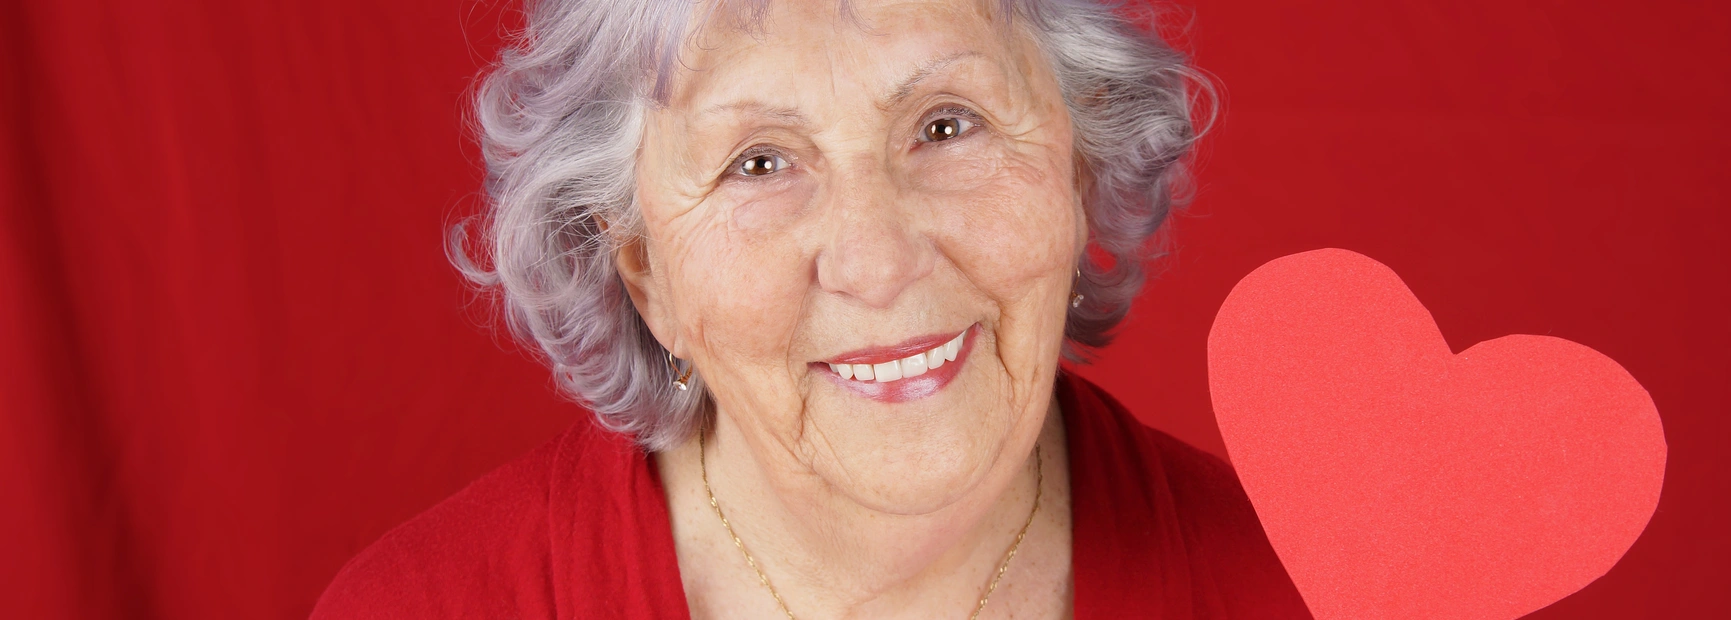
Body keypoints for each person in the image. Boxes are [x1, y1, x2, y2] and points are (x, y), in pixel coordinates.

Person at [313, 0, 1311, 617]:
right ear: (644, 272)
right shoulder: (422, 608)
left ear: (1080, 160)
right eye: (759, 162)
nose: (877, 261)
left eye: (947, 123)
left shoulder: (1306, 590)